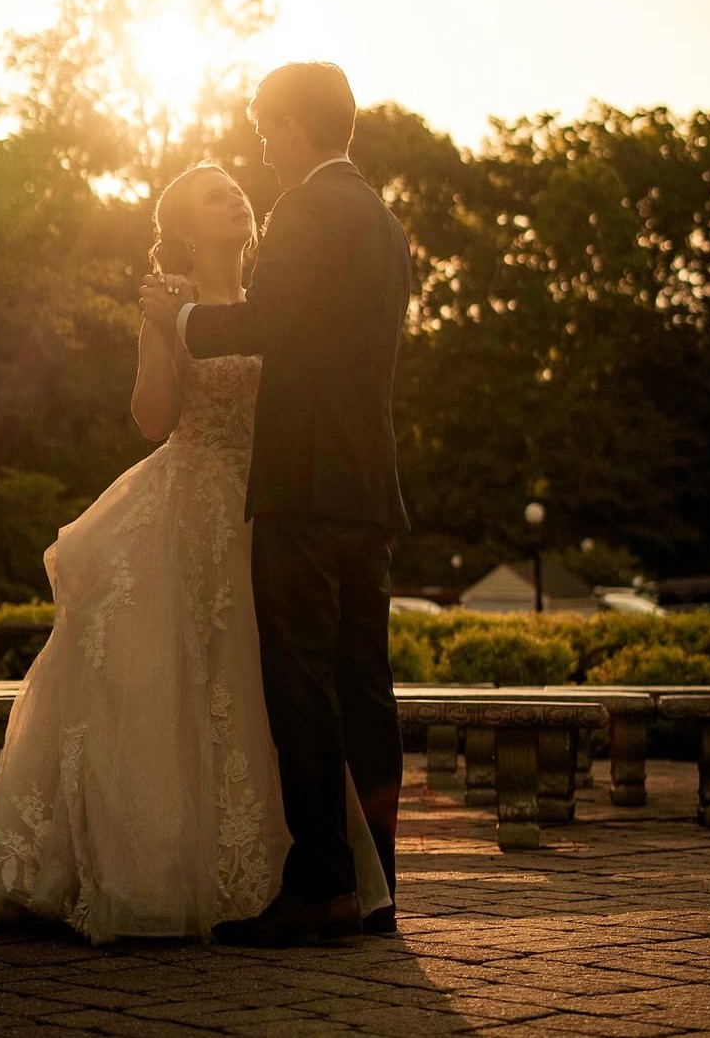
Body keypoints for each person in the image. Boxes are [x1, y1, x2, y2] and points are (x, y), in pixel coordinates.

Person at [0, 161, 389, 943]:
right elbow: (153, 418)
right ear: (184, 229)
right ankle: (150, 866)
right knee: (166, 678)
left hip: (268, 511)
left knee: (275, 688)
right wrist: (165, 331)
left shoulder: (277, 304)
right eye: (211, 194)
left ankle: (283, 876)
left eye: (235, 186)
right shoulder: (169, 305)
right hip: (188, 502)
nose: (234, 195)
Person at [140, 61, 411, 947]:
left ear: (296, 125)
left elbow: (269, 323)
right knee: (366, 684)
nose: (262, 144)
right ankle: (377, 883)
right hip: (368, 482)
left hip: (300, 481)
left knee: (299, 680)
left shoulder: (306, 208)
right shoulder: (383, 219)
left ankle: (323, 881)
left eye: (266, 126)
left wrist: (177, 324)